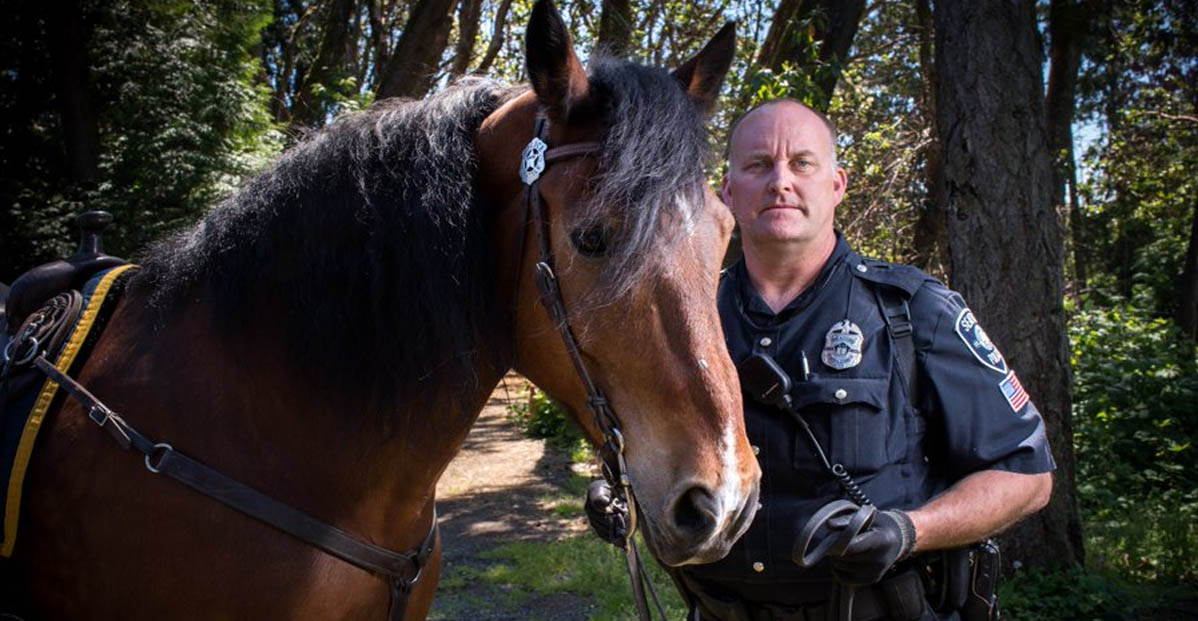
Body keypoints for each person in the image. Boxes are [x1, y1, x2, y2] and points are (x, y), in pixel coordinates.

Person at [587, 99, 1055, 620]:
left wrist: (910, 531)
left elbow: (1026, 475)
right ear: (728, 190)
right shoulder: (680, 323)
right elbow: (657, 450)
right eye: (758, 164)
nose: (780, 181)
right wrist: (626, 498)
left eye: (802, 163)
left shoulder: (914, 311)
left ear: (836, 185)